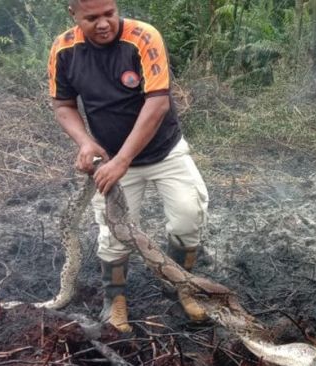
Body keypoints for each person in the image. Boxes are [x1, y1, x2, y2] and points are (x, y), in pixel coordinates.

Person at [48, 0, 209, 332]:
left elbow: (158, 103)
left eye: (109, 13)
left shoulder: (143, 37)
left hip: (165, 151)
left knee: (188, 215)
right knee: (113, 233)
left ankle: (181, 285)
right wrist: (85, 142)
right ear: (73, 15)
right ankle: (115, 301)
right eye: (92, 18)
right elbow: (63, 104)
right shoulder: (65, 49)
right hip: (109, 158)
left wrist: (124, 159)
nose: (104, 23)